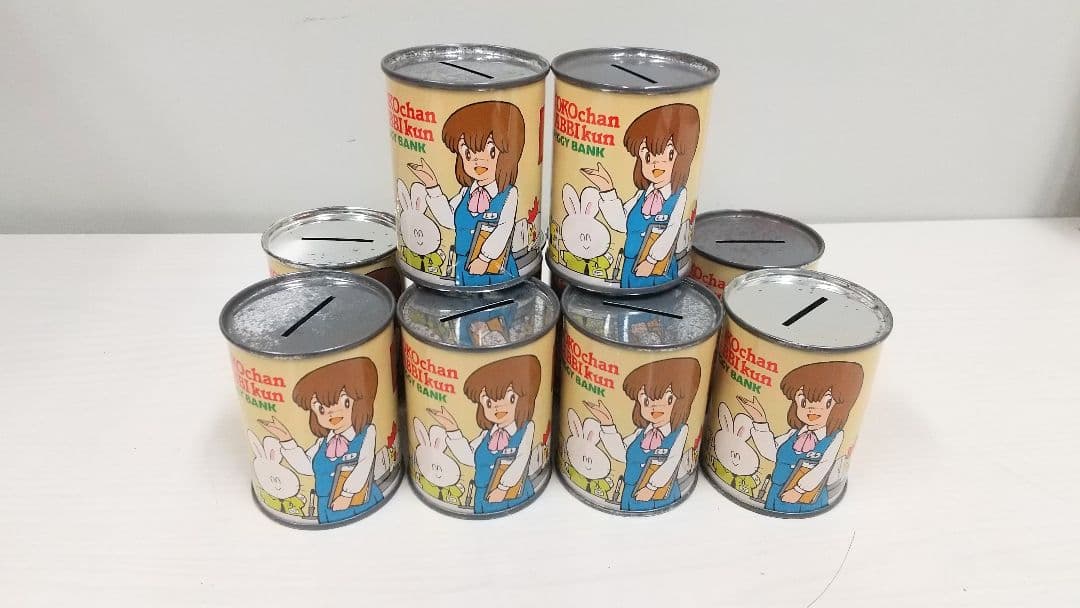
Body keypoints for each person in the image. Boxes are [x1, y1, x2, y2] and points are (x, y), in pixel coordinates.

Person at [579, 103, 700, 289]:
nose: (656, 164)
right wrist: (607, 190)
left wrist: (651, 260)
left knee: (655, 303)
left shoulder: (679, 195)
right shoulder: (641, 195)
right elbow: (621, 223)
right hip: (630, 266)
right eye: (648, 157)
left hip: (657, 270)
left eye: (669, 154)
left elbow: (671, 230)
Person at [407, 101, 526, 286]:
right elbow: (449, 220)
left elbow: (504, 229)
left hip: (495, 269)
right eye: (468, 153)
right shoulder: (465, 193)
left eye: (491, 151)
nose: (478, 160)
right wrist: (432, 186)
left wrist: (484, 258)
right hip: (464, 266)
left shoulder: (508, 194)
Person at [259, 358, 383, 523]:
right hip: (326, 505)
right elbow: (307, 467)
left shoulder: (366, 433)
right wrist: (287, 440)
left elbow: (364, 465)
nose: (332, 413)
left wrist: (347, 495)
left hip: (358, 501)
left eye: (345, 402)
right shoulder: (322, 443)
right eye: (321, 408)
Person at [739, 361, 864, 514]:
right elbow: (771, 452)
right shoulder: (793, 434)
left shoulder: (834, 437)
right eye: (804, 402)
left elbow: (823, 466)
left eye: (827, 402)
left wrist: (799, 490)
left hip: (805, 499)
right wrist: (760, 421)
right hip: (777, 493)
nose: (812, 409)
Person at [583, 358, 701, 512]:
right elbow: (621, 453)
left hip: (658, 496)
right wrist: (607, 424)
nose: (655, 406)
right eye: (646, 401)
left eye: (668, 399)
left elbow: (672, 462)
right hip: (630, 493)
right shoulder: (640, 433)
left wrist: (651, 487)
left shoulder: (680, 431)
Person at [427, 355, 541, 514]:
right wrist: (452, 430)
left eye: (510, 398)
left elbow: (521, 460)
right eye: (488, 402)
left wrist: (502, 488)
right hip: (483, 496)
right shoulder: (486, 435)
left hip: (512, 495)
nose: (498, 407)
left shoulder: (526, 429)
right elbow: (469, 458)